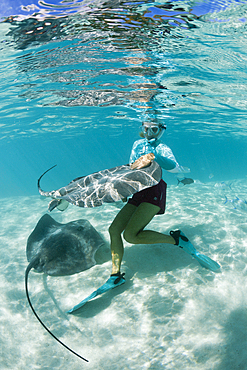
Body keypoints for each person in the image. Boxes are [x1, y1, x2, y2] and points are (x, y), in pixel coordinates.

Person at [107, 121, 191, 287]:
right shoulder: (137, 144)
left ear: (161, 130)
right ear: (142, 129)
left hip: (154, 190)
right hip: (138, 189)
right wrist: (125, 189)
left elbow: (175, 168)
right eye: (147, 129)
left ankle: (176, 240)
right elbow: (132, 167)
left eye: (154, 129)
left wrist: (155, 155)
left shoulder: (162, 147)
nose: (150, 132)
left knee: (130, 236)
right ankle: (115, 275)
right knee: (114, 230)